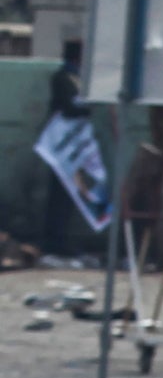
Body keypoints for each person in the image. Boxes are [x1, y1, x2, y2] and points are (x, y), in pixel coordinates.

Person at [41, 38, 87, 258]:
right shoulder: (62, 78)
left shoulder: (75, 79)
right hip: (60, 144)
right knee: (60, 193)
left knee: (69, 194)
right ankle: (53, 240)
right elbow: (69, 108)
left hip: (73, 143)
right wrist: (88, 108)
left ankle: (60, 239)